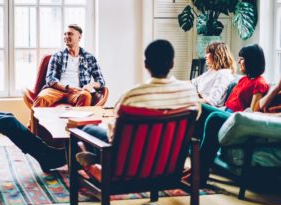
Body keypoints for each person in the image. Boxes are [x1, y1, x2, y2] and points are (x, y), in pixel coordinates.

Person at [76, 39, 200, 166]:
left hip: (130, 166)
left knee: (86, 129)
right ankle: (96, 159)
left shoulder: (132, 96)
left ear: (146, 64)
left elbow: (113, 137)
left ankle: (97, 161)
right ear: (172, 64)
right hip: (169, 166)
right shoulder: (189, 93)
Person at [183, 44, 271, 186]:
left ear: (252, 61)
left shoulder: (259, 82)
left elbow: (254, 112)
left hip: (236, 119)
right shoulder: (243, 79)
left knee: (213, 117)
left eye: (242, 59)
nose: (238, 62)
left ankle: (200, 173)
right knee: (195, 109)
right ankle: (192, 169)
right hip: (225, 112)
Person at [33, 24, 105, 107]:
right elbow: (50, 79)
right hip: (56, 90)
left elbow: (101, 81)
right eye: (65, 34)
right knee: (42, 98)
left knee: (86, 96)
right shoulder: (57, 56)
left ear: (79, 37)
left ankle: (77, 120)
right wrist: (67, 88)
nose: (66, 36)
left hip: (78, 91)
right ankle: (35, 120)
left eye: (70, 34)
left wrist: (90, 85)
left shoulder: (90, 58)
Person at [191, 42, 236, 107]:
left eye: (208, 53)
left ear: (217, 55)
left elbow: (211, 102)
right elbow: (194, 82)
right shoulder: (212, 71)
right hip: (200, 102)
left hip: (207, 109)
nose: (205, 56)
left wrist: (190, 100)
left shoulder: (223, 74)